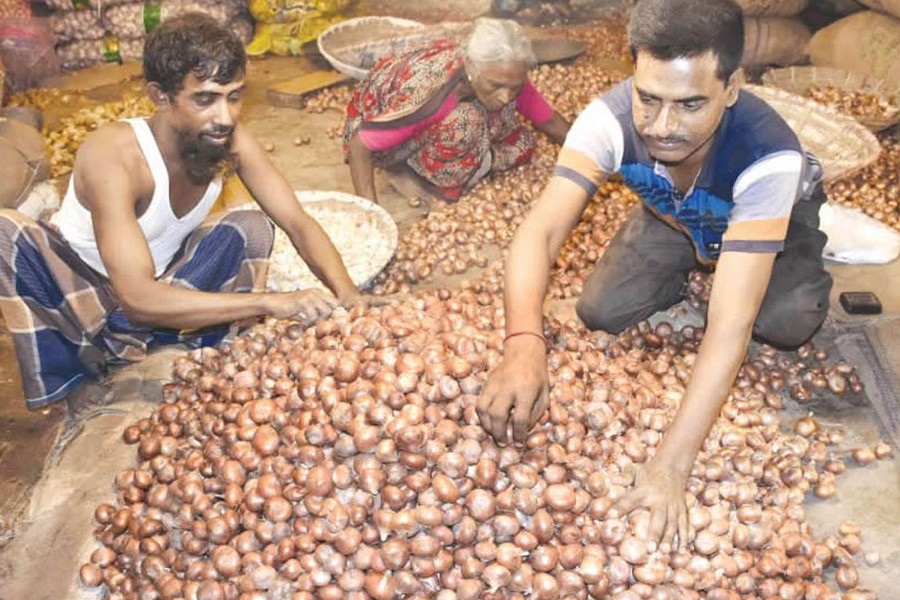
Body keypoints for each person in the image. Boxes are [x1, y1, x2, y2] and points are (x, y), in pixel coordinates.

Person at [478, 0, 832, 547]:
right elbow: (539, 232)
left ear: (732, 87)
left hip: (757, 218)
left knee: (785, 320)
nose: (663, 127)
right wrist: (523, 341)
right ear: (634, 75)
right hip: (672, 213)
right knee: (599, 311)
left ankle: (755, 258)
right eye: (649, 99)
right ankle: (694, 256)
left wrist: (670, 465)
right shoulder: (610, 119)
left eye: (690, 104)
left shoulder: (767, 154)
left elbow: (729, 325)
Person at [0, 13, 370, 411]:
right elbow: (136, 297)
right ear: (161, 97)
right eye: (205, 99)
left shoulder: (228, 139)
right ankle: (76, 382)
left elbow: (297, 221)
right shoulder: (115, 155)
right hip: (79, 292)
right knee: (7, 234)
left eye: (234, 95)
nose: (225, 116)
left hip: (163, 288)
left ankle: (183, 353)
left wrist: (347, 293)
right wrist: (270, 302)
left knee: (249, 228)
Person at [343, 17, 570, 204]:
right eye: (496, 86)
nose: (505, 96)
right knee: (465, 122)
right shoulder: (433, 96)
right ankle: (427, 176)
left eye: (515, 87)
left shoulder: (505, 72)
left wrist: (593, 156)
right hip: (385, 134)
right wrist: (371, 210)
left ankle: (472, 157)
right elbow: (359, 144)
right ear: (471, 65)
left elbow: (549, 121)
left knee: (525, 143)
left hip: (429, 114)